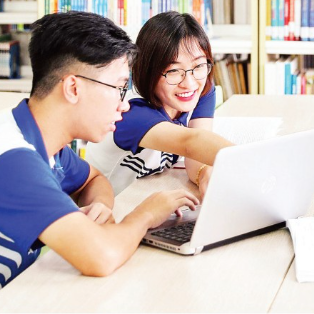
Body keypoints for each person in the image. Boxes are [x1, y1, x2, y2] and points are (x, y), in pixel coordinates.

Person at [0, 12, 199, 313]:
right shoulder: (13, 162)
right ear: (73, 88)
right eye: (118, 88)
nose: (123, 104)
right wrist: (146, 214)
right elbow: (101, 258)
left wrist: (102, 208)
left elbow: (94, 179)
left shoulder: (28, 131)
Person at [85, 11, 233, 197]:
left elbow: (196, 153)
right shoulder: (130, 112)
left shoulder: (199, 88)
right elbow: (191, 142)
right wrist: (255, 163)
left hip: (147, 200)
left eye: (198, 65)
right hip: (112, 211)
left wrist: (203, 173)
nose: (189, 82)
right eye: (173, 71)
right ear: (149, 70)